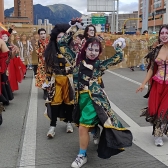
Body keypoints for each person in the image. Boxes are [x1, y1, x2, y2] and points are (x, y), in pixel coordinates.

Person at [58, 20, 132, 168]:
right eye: (90, 48)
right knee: (84, 124)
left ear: (99, 52)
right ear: (85, 49)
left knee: (83, 127)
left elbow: (117, 59)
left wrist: (118, 47)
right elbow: (62, 45)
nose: (93, 52)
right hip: (80, 100)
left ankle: (82, 155)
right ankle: (95, 130)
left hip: (95, 100)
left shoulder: (99, 65)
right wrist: (73, 27)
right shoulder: (76, 61)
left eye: (96, 50)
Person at [136, 25, 168, 147]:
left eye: (166, 32)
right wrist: (143, 83)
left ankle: (158, 135)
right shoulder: (156, 50)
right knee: (154, 110)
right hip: (157, 84)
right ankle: (158, 131)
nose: (164, 35)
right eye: (162, 33)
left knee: (163, 110)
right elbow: (151, 69)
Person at [44, 24, 74, 138]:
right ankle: (52, 126)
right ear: (55, 39)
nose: (61, 39)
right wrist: (47, 81)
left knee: (69, 103)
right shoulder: (51, 52)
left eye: (63, 37)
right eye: (59, 37)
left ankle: (69, 123)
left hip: (69, 80)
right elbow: (48, 69)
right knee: (54, 103)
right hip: (56, 80)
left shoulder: (71, 51)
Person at [35, 28, 49, 99]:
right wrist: (44, 53)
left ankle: (50, 91)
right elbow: (38, 53)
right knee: (43, 78)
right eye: (41, 34)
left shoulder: (49, 42)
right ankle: (45, 92)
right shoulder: (37, 43)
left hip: (50, 63)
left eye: (44, 33)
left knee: (50, 77)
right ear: (39, 35)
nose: (43, 35)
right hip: (42, 64)